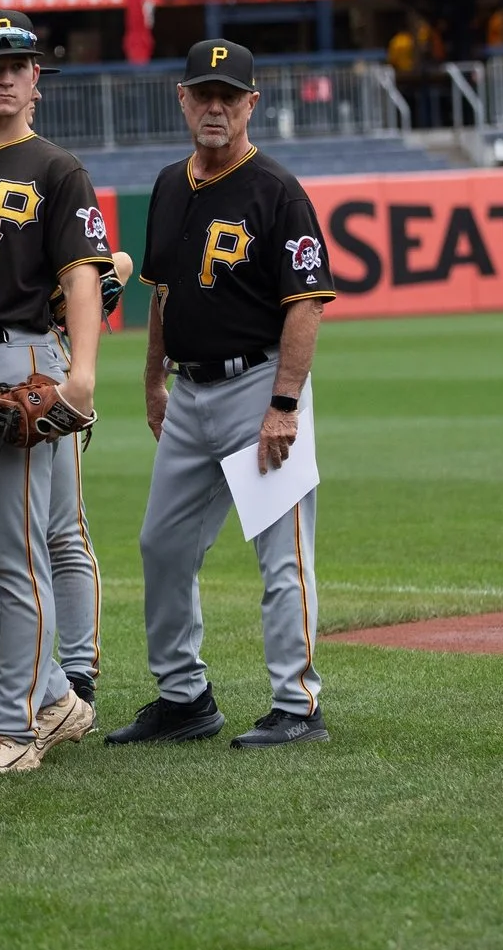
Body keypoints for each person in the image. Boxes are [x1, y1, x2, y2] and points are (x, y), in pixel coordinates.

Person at [108, 39, 334, 750]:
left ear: (250, 104)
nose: (215, 106)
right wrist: (152, 380)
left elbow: (306, 304)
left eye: (228, 95)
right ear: (182, 100)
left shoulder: (276, 190)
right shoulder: (172, 184)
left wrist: (285, 404)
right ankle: (184, 697)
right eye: (202, 93)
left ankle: (297, 705)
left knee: (281, 555)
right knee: (162, 546)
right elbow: (165, 296)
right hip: (190, 392)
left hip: (255, 389)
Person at [0, 11, 109, 778]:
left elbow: (82, 273)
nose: (8, 76)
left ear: (35, 78)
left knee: (17, 550)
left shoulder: (55, 166)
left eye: (20, 64)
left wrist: (79, 375)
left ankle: (13, 727)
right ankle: (49, 693)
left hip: (21, 360)